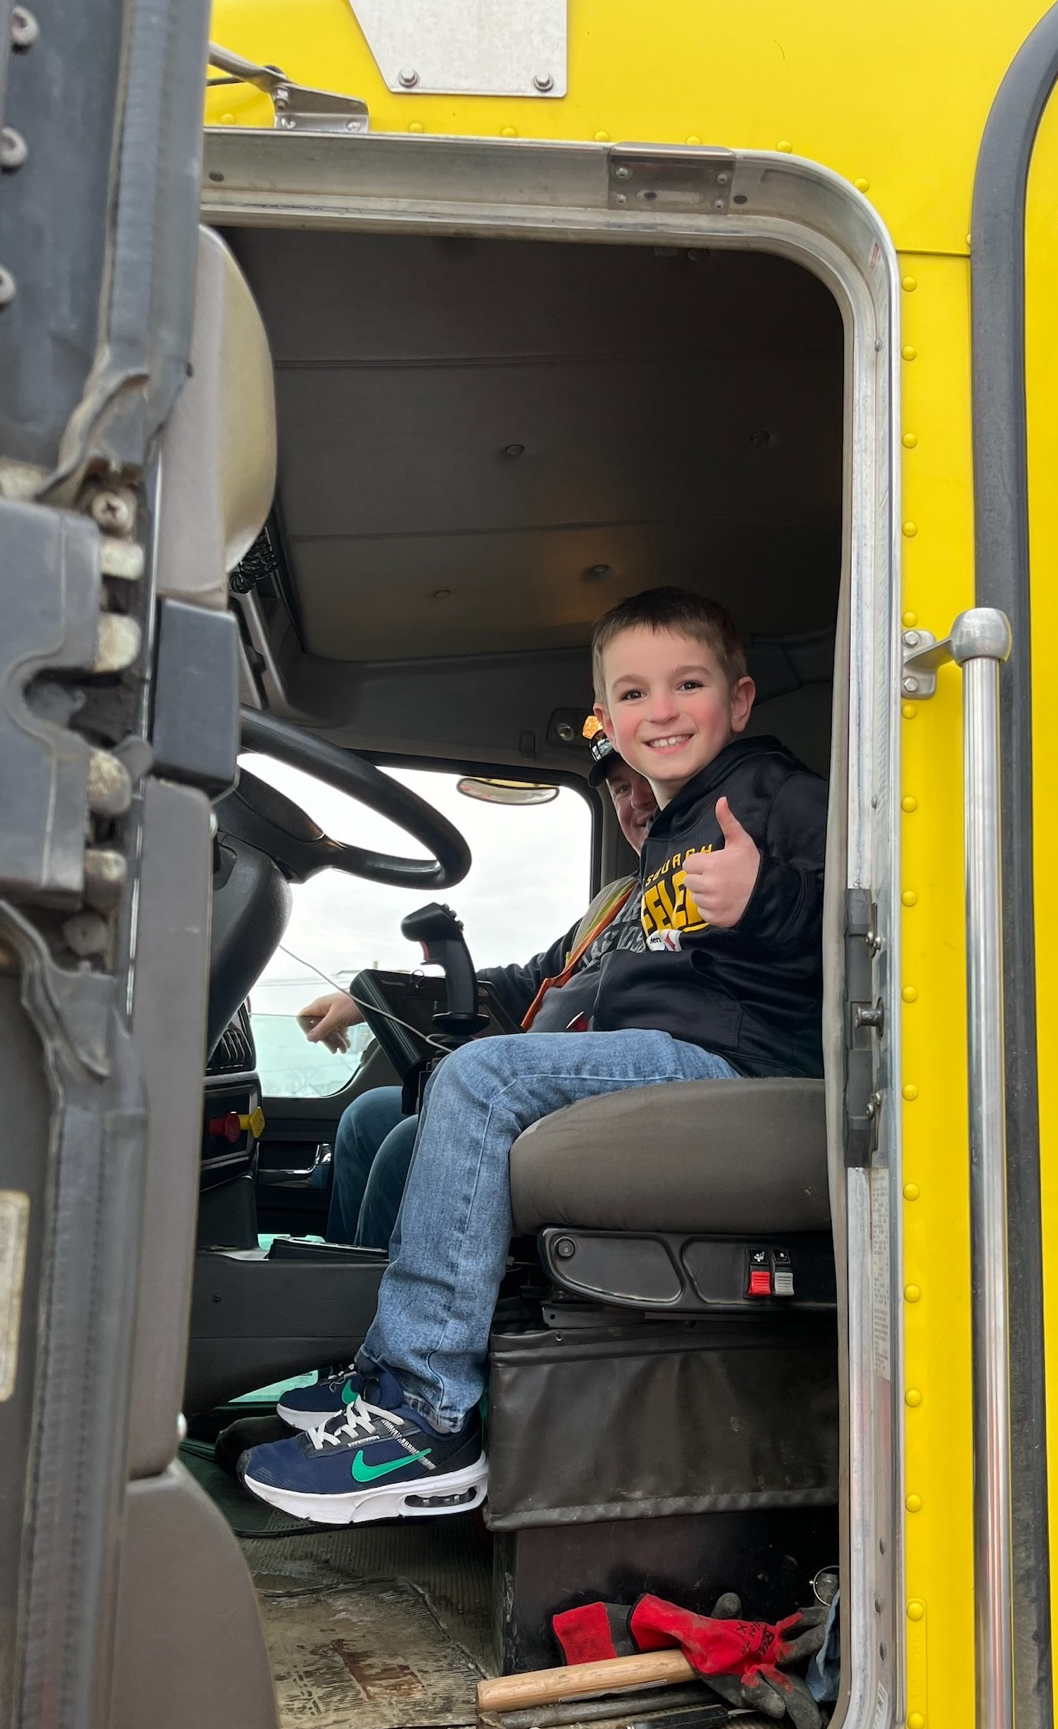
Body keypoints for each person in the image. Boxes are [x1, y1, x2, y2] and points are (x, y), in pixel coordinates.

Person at [243, 586, 827, 1520]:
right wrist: (368, 992)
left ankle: (429, 1411)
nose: (660, 711)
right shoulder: (659, 855)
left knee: (476, 1078)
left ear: (741, 700)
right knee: (420, 1102)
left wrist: (769, 899)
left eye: (687, 684)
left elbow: (874, 913)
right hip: (674, 1057)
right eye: (631, 694)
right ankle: (386, 1377)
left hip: (737, 1067)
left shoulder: (772, 795)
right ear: (607, 716)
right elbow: (547, 976)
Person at [295, 746, 659, 1250]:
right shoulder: (617, 898)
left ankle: (382, 1318)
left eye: (646, 779)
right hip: (541, 1089)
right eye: (620, 788)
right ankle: (342, 1300)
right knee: (367, 1117)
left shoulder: (705, 888)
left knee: (408, 1145)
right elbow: (525, 979)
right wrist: (363, 1000)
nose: (637, 800)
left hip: (603, 1100)